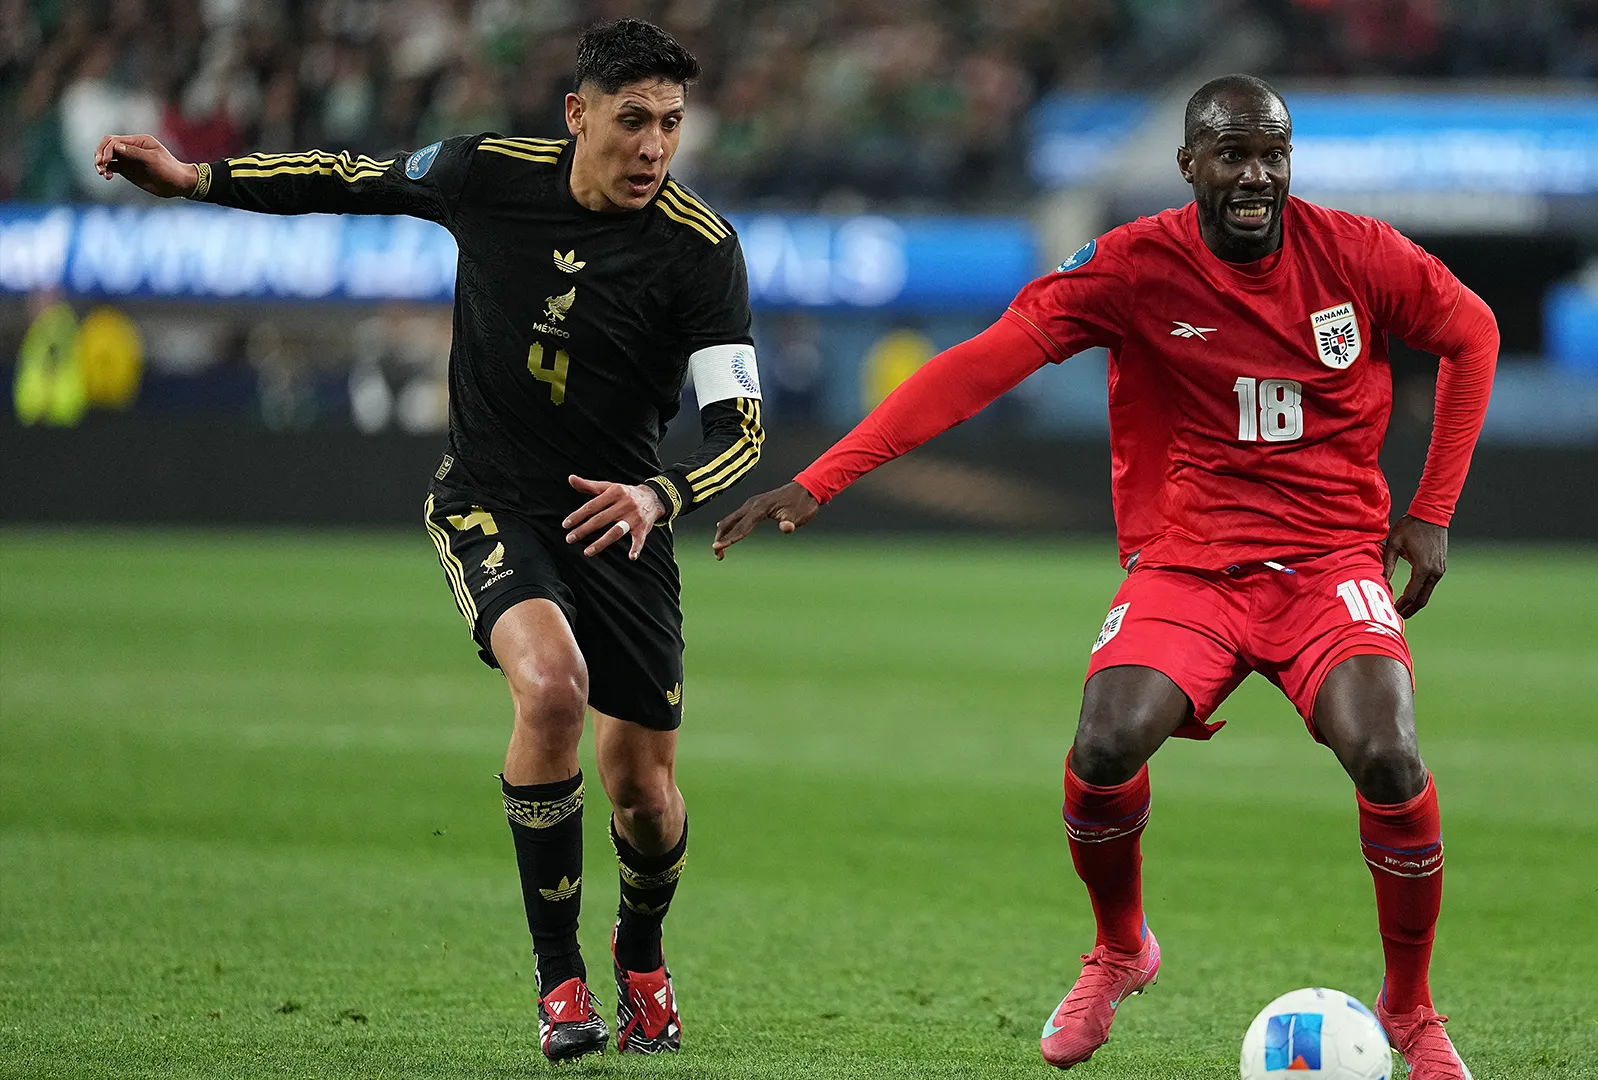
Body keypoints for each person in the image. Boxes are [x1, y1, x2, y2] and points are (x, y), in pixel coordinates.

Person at [714, 75, 1496, 1078]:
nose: (1256, 176)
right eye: (1233, 155)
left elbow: (1472, 334)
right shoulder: (1132, 267)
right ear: (1189, 165)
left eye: (1273, 155)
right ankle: (1121, 949)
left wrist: (1431, 511)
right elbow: (981, 366)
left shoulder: (1357, 253)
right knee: (1105, 741)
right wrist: (822, 479)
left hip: (1329, 560)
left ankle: (1410, 1008)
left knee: (1388, 753)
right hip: (1190, 562)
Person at [94, 19, 761, 1063]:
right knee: (552, 691)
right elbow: (347, 177)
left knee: (645, 794)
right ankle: (561, 983)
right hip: (490, 500)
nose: (653, 147)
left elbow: (741, 430)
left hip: (620, 522)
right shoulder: (486, 173)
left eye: (671, 123)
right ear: (578, 114)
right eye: (633, 120)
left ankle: (640, 952)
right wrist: (196, 179)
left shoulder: (700, 249)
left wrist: (658, 496)